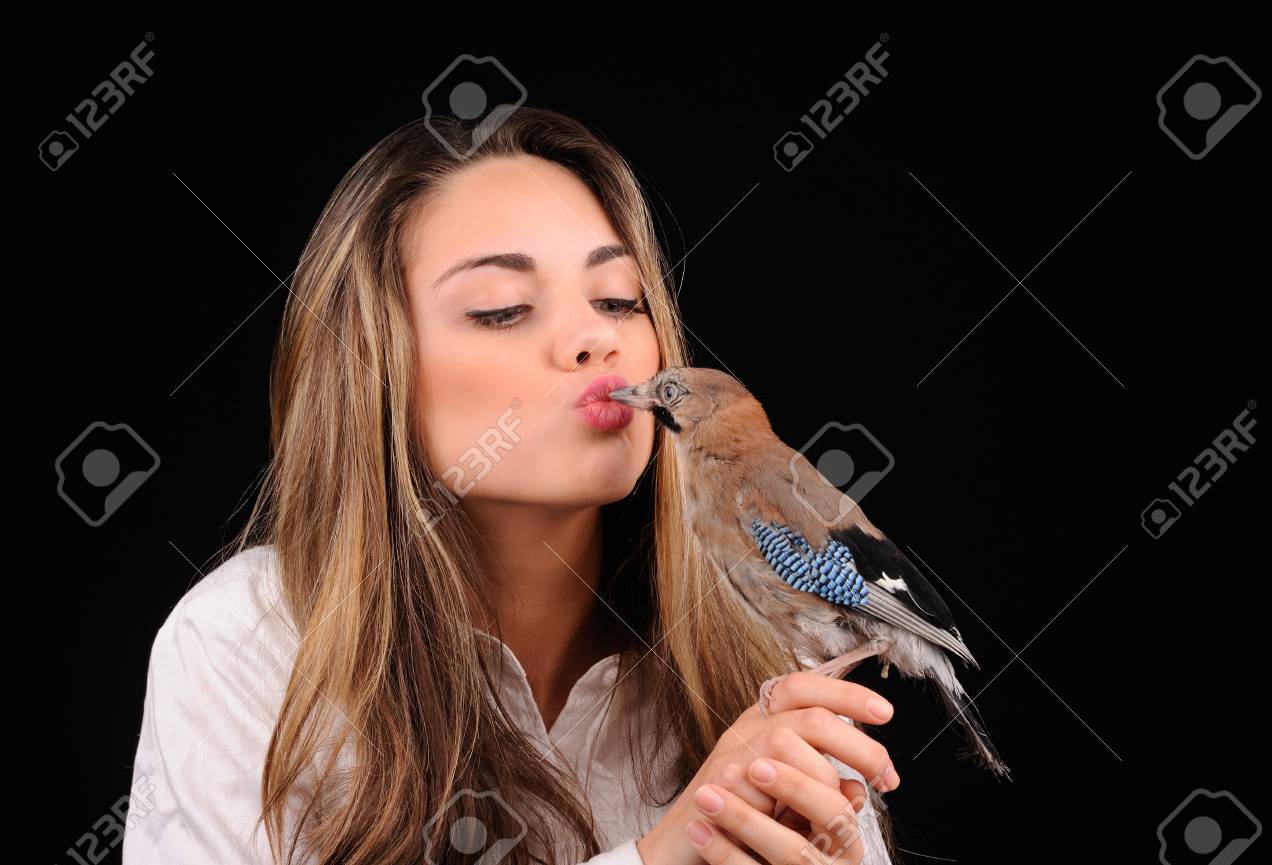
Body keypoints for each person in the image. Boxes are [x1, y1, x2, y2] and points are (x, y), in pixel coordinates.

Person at [123, 107, 901, 865]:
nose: (598, 338)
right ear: (373, 370)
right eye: (503, 310)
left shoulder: (768, 642)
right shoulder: (244, 646)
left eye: (619, 300)